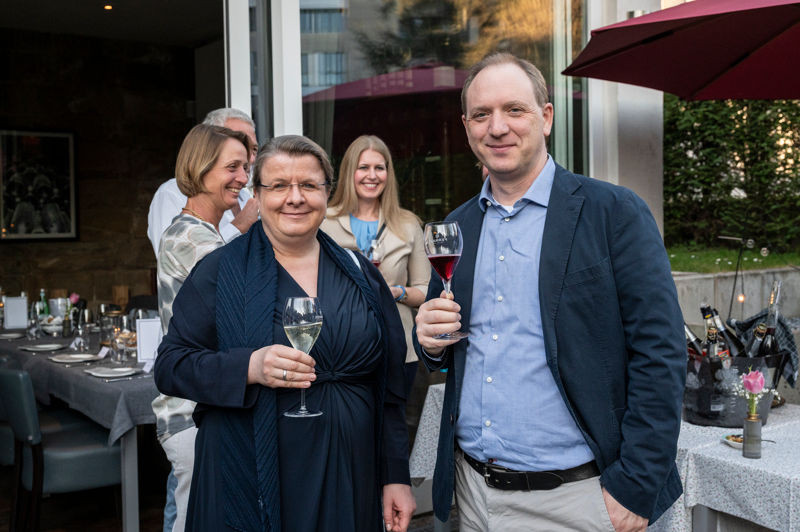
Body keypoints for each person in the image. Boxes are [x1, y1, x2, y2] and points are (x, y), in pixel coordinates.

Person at [414, 52, 685, 531]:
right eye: (481, 114)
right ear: (467, 127)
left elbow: (661, 353)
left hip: (578, 500)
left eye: (514, 110)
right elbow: (447, 345)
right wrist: (430, 342)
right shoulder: (458, 227)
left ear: (546, 117)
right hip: (473, 495)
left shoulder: (614, 213)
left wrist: (635, 487)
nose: (497, 127)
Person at [154, 135, 416, 532]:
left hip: (351, 475)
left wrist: (395, 473)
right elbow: (171, 366)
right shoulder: (220, 271)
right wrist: (249, 367)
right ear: (257, 195)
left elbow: (390, 383)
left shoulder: (358, 272)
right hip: (254, 477)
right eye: (278, 186)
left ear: (327, 193)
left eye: (308, 185)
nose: (295, 198)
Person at [151, 123, 251, 532]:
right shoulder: (191, 238)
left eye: (245, 167)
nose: (243, 178)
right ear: (201, 168)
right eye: (232, 167)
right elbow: (246, 304)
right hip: (193, 411)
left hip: (200, 406)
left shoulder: (200, 232)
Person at [321, 135, 429, 396]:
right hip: (340, 348)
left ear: (388, 174)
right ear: (350, 172)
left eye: (379, 168)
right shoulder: (323, 222)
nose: (372, 175)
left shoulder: (408, 224)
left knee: (395, 420)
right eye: (363, 167)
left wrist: (398, 293)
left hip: (398, 349)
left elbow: (426, 291)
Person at [147, 107, 260, 255]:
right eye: (232, 166)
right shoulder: (171, 193)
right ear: (206, 152)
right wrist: (238, 226)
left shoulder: (245, 196)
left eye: (254, 149)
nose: (250, 158)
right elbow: (179, 255)